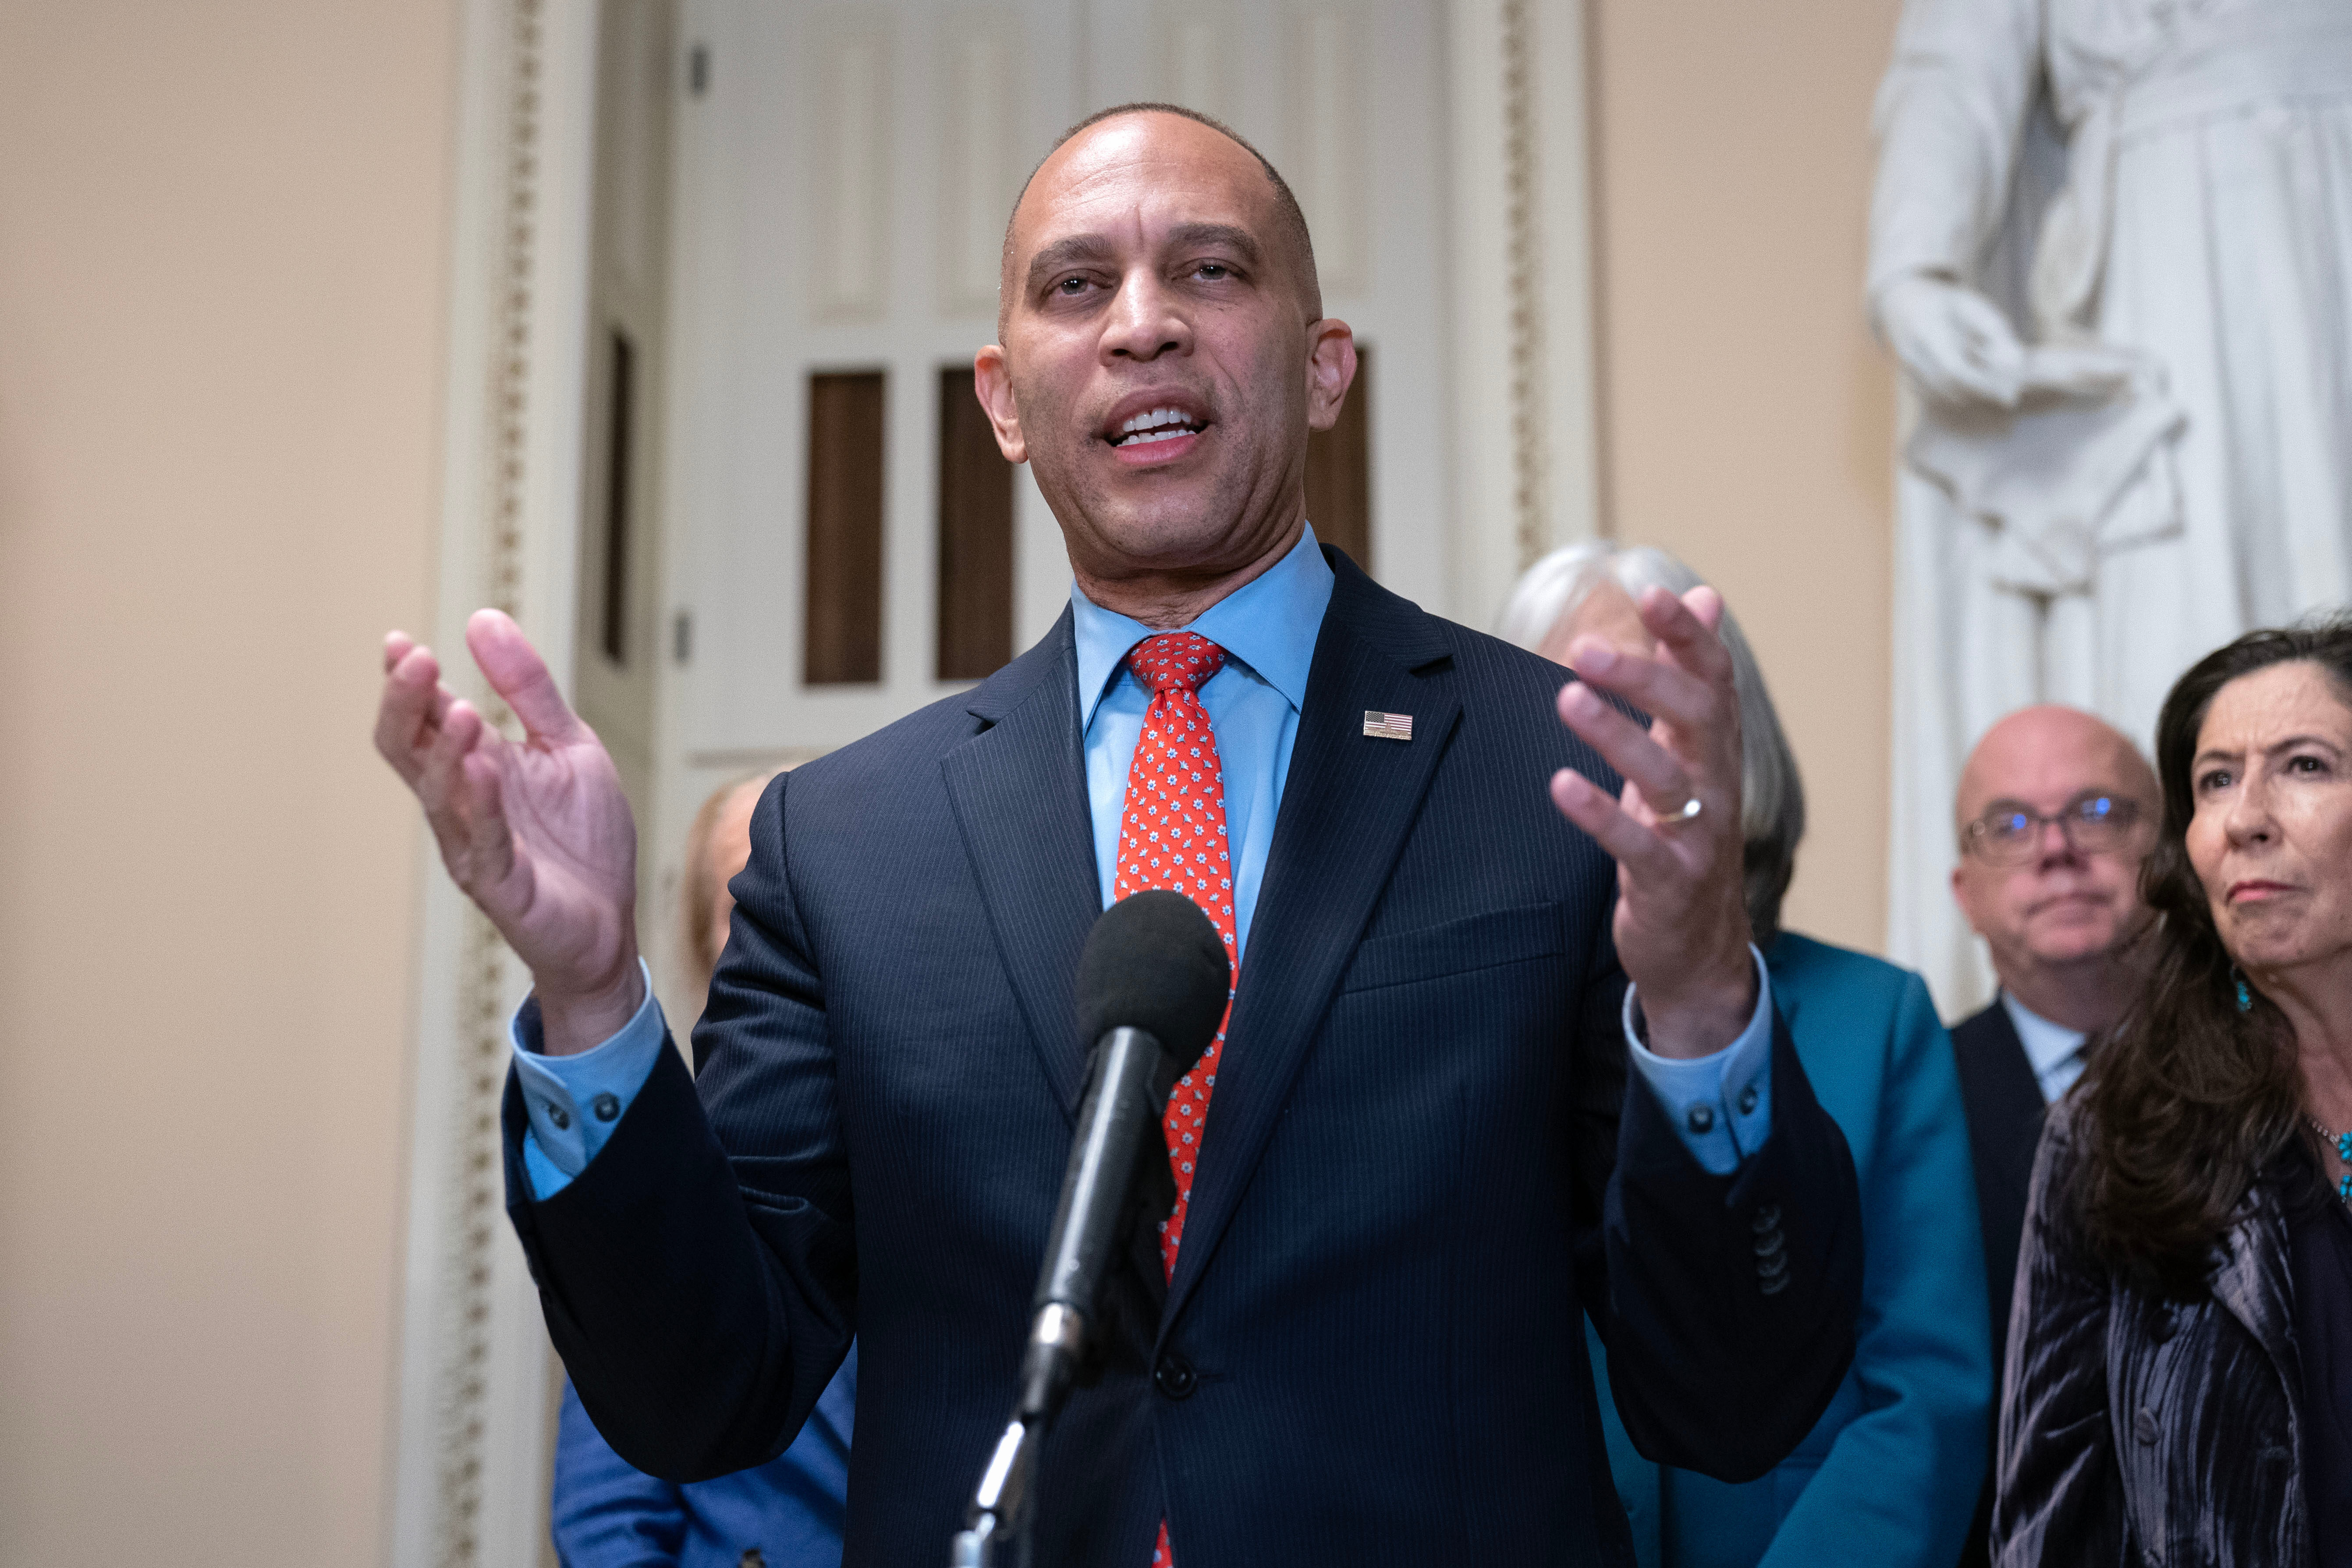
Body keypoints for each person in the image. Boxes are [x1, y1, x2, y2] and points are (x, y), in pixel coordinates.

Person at [375, 103, 1865, 1565]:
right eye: (1077, 284)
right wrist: (591, 997)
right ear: (1004, 402)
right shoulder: (842, 844)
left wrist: (1698, 996)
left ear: (1324, 366)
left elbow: (1734, 1395)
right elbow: (703, 1390)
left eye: (1210, 269)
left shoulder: (1548, 772)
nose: (1143, 324)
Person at [1506, 543, 1988, 1568]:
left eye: (1644, 711)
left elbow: (1924, 1394)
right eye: (1574, 714)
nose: (1616, 754)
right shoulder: (1473, 1027)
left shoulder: (1878, 1019)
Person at [1869, 0, 2352, 1020]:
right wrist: (1912, 261)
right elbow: (1950, 65)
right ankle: (2212, 1046)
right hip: (2173, 258)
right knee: (2201, 660)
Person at [1999, 619, 2352, 1561]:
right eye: (2215, 781)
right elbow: (2051, 1524)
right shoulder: (2113, 1129)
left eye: (2305, 766)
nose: (2245, 818)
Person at [550, 770, 857, 1568]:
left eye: (814, 898)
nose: (791, 930)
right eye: (749, 907)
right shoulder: (666, 1185)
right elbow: (605, 1522)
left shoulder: (951, 1152)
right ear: (705, 952)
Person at [1946, 708, 2157, 1377]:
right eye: (2009, 825)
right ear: (1966, 895)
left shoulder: (2266, 1066)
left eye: (2097, 811)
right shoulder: (1919, 1093)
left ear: (2170, 855)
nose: (2057, 848)